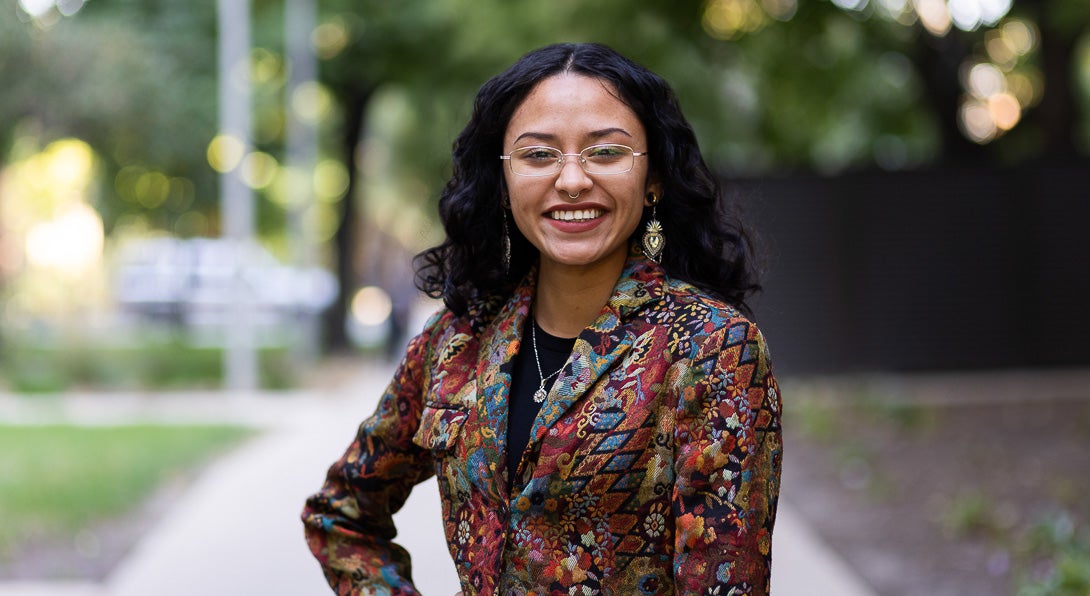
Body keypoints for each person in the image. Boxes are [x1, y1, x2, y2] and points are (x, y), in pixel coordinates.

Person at [302, 42, 782, 596]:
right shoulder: (457, 342)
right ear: (504, 184)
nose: (573, 180)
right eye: (538, 155)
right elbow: (340, 514)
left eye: (605, 152)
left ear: (653, 179)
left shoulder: (711, 349)